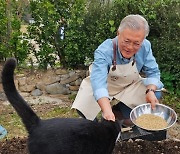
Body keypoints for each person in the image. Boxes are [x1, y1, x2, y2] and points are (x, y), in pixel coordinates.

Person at [72, 14, 163, 126]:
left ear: (143, 40)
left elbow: (153, 72)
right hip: (103, 84)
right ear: (118, 34)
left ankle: (119, 114)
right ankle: (98, 121)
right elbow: (99, 83)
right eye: (127, 41)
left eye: (136, 43)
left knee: (156, 91)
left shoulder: (145, 46)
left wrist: (150, 91)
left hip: (128, 86)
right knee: (84, 109)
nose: (130, 47)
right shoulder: (104, 50)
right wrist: (106, 110)